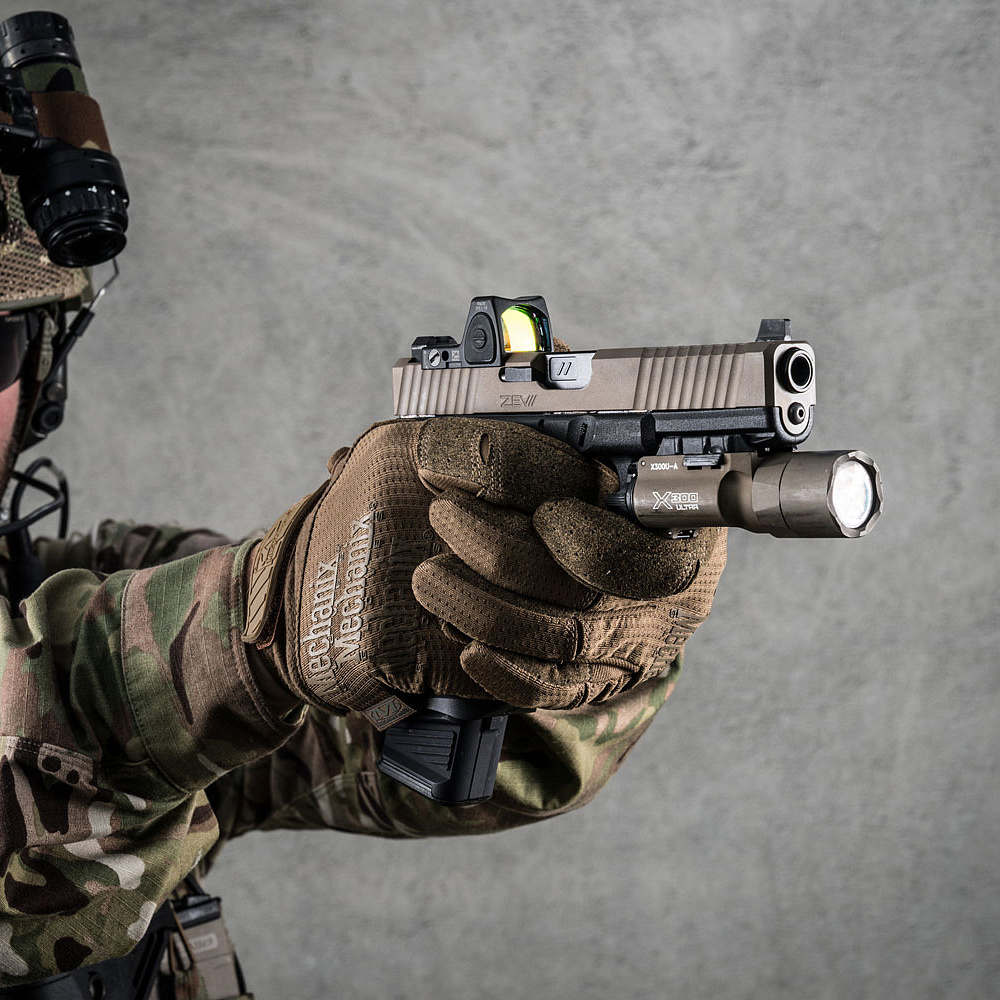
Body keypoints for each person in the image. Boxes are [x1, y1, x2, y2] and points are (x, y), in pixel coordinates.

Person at [0, 173, 727, 996]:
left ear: (43, 365)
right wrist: (257, 621)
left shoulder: (109, 578)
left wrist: (590, 611)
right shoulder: (157, 613)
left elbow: (454, 768)